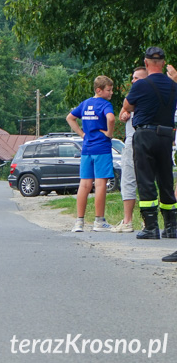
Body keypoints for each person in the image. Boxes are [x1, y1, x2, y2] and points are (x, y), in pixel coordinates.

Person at [124, 48, 177, 254]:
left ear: (146, 63)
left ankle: (151, 227)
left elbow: (127, 106)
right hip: (166, 135)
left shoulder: (142, 85)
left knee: (145, 179)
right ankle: (172, 226)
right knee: (165, 177)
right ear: (163, 63)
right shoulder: (173, 86)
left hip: (145, 134)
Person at [66, 75, 115, 233]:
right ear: (99, 90)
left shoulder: (85, 104)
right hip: (102, 148)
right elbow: (111, 118)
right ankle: (99, 221)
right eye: (109, 90)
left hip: (87, 149)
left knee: (84, 184)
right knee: (100, 184)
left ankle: (79, 222)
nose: (111, 92)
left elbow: (70, 117)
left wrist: (82, 134)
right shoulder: (105, 104)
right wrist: (109, 133)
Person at [113, 67, 147, 233]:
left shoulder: (150, 96)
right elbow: (122, 112)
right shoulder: (132, 95)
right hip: (130, 141)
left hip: (144, 141)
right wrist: (124, 114)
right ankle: (127, 221)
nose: (134, 81)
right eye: (133, 78)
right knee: (127, 179)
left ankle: (147, 220)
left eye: (138, 78)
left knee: (146, 182)